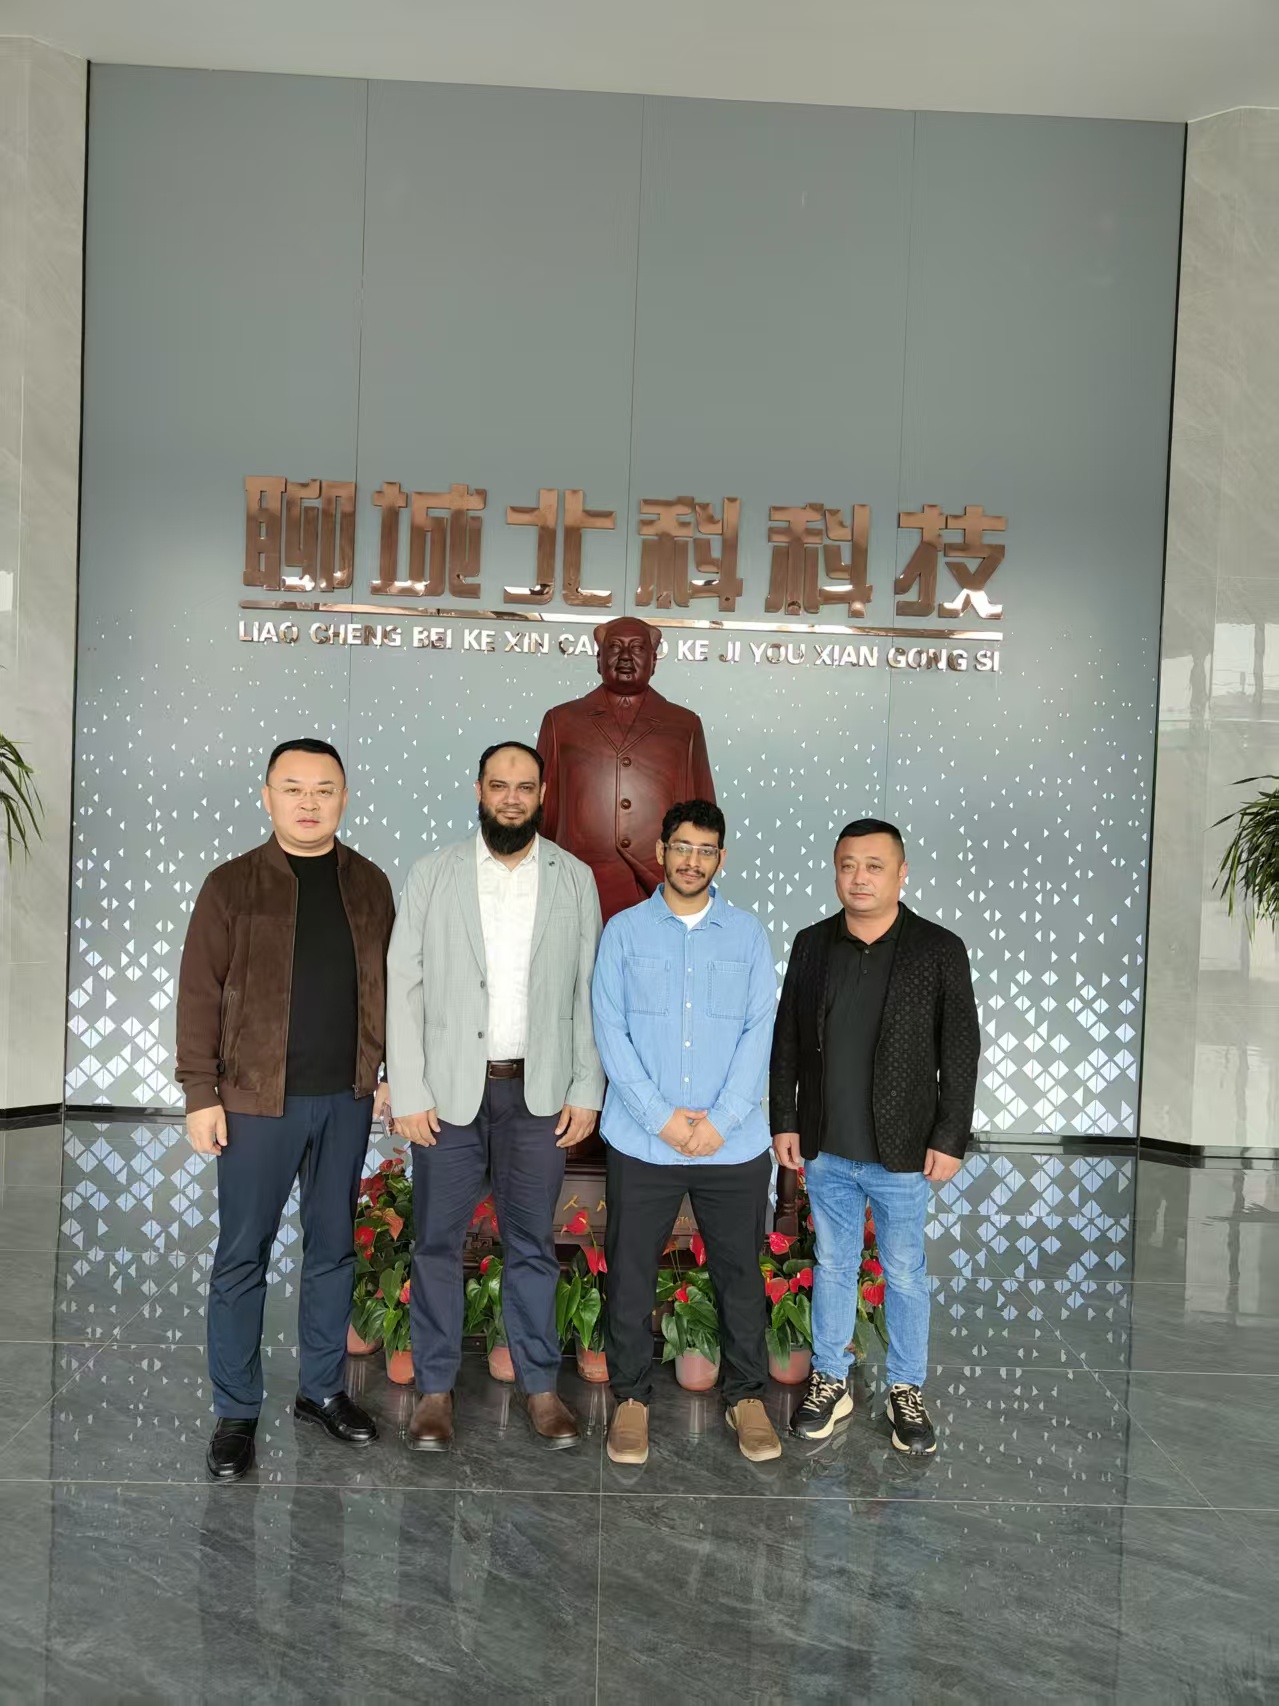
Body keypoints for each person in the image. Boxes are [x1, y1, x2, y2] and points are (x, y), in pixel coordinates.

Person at [176, 738, 396, 1482]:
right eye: (293, 788)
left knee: (333, 1248)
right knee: (244, 1253)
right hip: (254, 1104)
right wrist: (200, 1094)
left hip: (345, 1098)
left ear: (344, 798)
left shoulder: (369, 884)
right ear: (267, 796)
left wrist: (390, 1073)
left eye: (324, 789)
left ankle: (321, 1390)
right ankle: (237, 1410)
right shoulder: (231, 884)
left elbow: (392, 987)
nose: (309, 802)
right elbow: (199, 995)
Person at [386, 740, 605, 1452]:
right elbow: (404, 983)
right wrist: (409, 1089)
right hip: (448, 1094)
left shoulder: (572, 878)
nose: (511, 798)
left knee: (532, 1244)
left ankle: (540, 1387)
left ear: (542, 795)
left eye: (524, 787)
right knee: (437, 1243)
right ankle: (435, 1390)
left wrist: (586, 1086)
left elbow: (589, 989)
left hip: (538, 1095)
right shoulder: (433, 873)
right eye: (499, 785)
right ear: (478, 790)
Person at [770, 818, 980, 1455]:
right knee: (832, 1265)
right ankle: (830, 1379)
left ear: (901, 873)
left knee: (905, 1273)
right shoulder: (812, 944)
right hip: (827, 1145)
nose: (859, 878)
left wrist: (950, 1135)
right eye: (847, 865)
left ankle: (906, 1389)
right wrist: (784, 1119)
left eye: (874, 866)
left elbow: (961, 1050)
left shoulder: (938, 949)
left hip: (904, 1152)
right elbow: (786, 1039)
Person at [592, 799, 780, 1466]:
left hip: (732, 1142)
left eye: (705, 850)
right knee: (630, 1274)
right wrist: (663, 1118)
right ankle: (631, 1401)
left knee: (739, 1274)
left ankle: (747, 1397)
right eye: (682, 847)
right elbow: (609, 1029)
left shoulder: (747, 935)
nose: (692, 860)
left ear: (720, 858)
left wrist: (721, 1121)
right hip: (644, 1139)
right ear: (661, 852)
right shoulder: (623, 932)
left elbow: (759, 1031)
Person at [536, 616, 716, 924]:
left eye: (637, 648)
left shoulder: (684, 725)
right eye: (615, 647)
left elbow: (704, 817)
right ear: (598, 659)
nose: (625, 656)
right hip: (577, 888)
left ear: (654, 661)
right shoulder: (561, 721)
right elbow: (542, 813)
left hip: (657, 888)